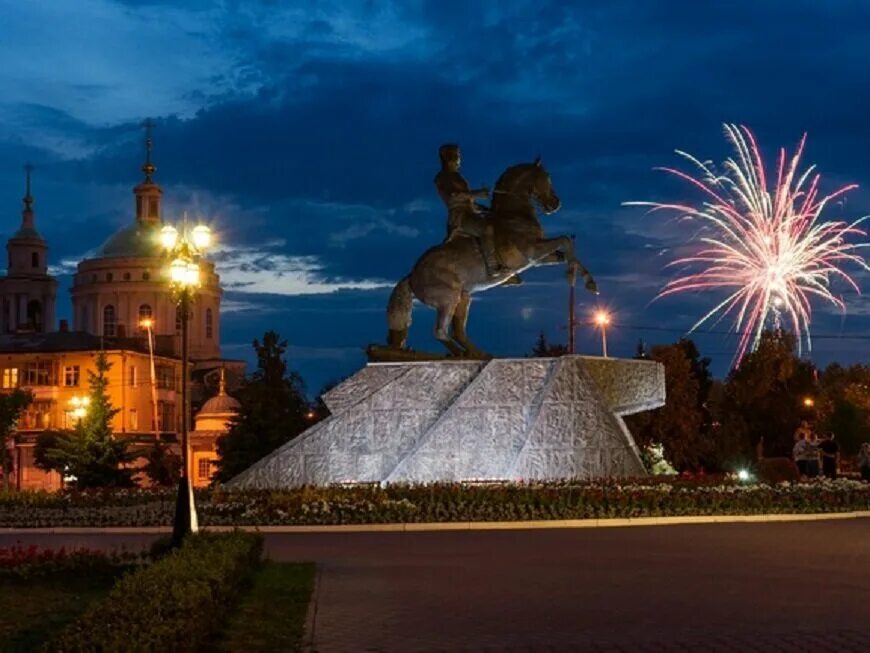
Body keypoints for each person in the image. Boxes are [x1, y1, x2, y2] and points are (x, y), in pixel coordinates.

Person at [434, 144, 520, 283]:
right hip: (460, 218)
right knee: (486, 229)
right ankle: (493, 268)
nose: (458, 159)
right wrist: (477, 193)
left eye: (459, 156)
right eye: (456, 156)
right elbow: (454, 197)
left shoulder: (457, 176)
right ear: (447, 158)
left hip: (469, 212)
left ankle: (504, 262)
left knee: (497, 223)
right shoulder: (442, 177)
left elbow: (469, 202)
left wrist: (484, 209)